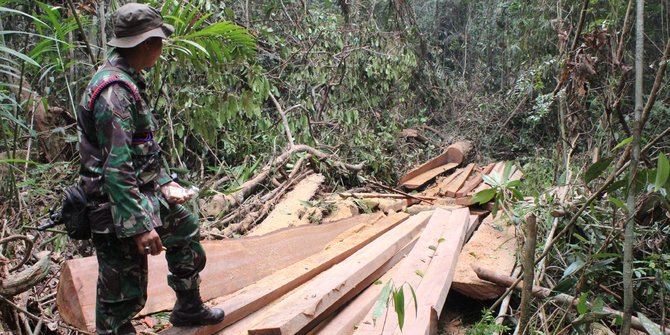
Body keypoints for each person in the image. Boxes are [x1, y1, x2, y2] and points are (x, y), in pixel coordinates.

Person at [76, 3, 224, 334]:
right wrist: (140, 227)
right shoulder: (114, 92)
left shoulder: (130, 81)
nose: (161, 48)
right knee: (122, 294)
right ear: (146, 44)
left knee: (184, 226)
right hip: (116, 207)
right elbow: (116, 169)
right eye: (158, 41)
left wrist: (165, 182)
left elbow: (143, 149)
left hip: (141, 194)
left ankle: (188, 308)